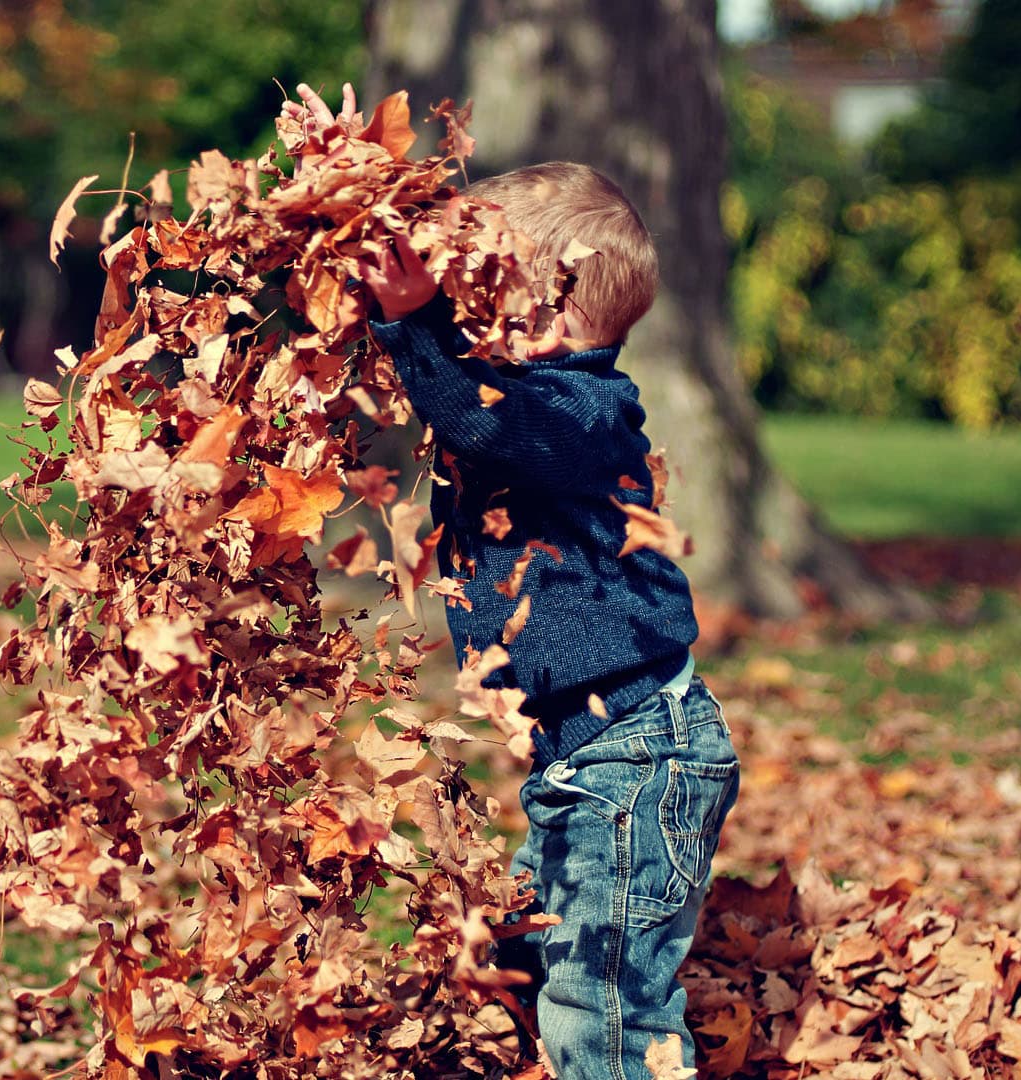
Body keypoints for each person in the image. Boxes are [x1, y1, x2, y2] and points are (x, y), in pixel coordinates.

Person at [292, 84, 741, 1079]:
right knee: (530, 951)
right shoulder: (537, 406)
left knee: (605, 1003)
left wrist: (417, 330)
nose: (451, 310)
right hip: (586, 757)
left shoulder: (580, 414)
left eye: (471, 292)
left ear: (541, 304)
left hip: (635, 758)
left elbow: (481, 417)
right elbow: (464, 401)